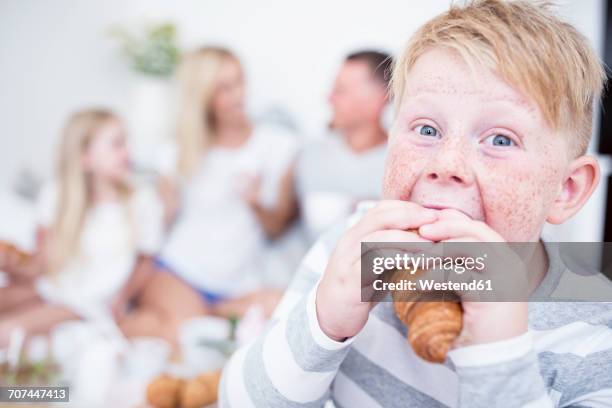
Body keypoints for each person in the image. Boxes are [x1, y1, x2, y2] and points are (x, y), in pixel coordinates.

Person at [219, 1, 612, 406]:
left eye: (500, 139)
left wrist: (498, 355)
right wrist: (322, 322)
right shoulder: (352, 249)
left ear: (566, 190)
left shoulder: (595, 339)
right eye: (426, 129)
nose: (446, 165)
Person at [0, 109, 204, 347]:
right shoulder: (56, 195)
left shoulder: (141, 202)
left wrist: (123, 298)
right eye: (117, 144)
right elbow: (41, 264)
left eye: (127, 142)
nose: (128, 151)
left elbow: (146, 262)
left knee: (8, 332)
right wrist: (12, 265)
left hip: (88, 303)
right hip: (50, 288)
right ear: (85, 157)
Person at [157, 47, 299, 318]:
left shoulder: (279, 145)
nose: (239, 95)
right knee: (187, 336)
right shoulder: (177, 150)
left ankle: (211, 314)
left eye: (240, 81)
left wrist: (255, 204)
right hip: (180, 273)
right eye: (224, 88)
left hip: (240, 286)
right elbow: (157, 227)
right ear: (203, 97)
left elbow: (277, 228)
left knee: (286, 308)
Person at [295, 51, 391, 242]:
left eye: (340, 90)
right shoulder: (310, 154)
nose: (329, 98)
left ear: (377, 101)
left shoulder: (404, 163)